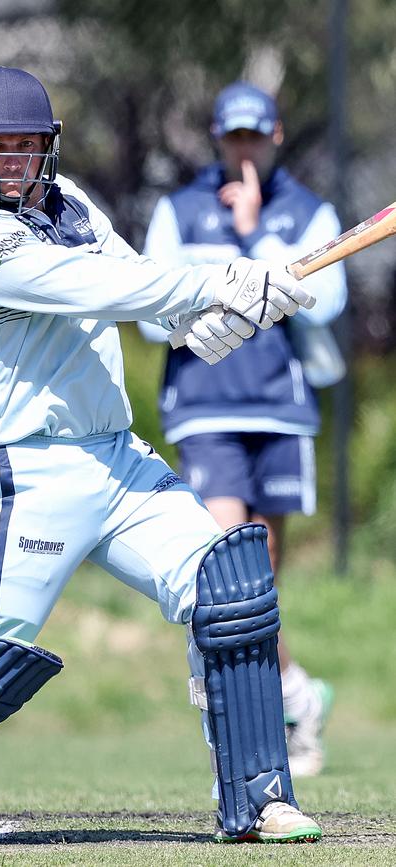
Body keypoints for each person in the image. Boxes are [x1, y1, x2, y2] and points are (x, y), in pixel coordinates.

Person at [0, 67, 322, 846]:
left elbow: (134, 278)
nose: (8, 160)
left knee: (230, 590)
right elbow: (93, 286)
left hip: (117, 458)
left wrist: (210, 314)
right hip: (27, 473)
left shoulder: (71, 202)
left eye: (23, 145)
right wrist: (221, 281)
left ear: (47, 147)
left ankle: (260, 796)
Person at [140, 81, 348, 778]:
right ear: (216, 137)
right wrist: (221, 289)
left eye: (255, 136)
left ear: (276, 136)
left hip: (280, 409)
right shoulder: (178, 210)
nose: (244, 148)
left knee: (263, 588)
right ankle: (284, 707)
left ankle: (291, 703)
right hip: (204, 408)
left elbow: (331, 300)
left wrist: (257, 232)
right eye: (233, 137)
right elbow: (146, 317)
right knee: (230, 576)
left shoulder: (308, 210)